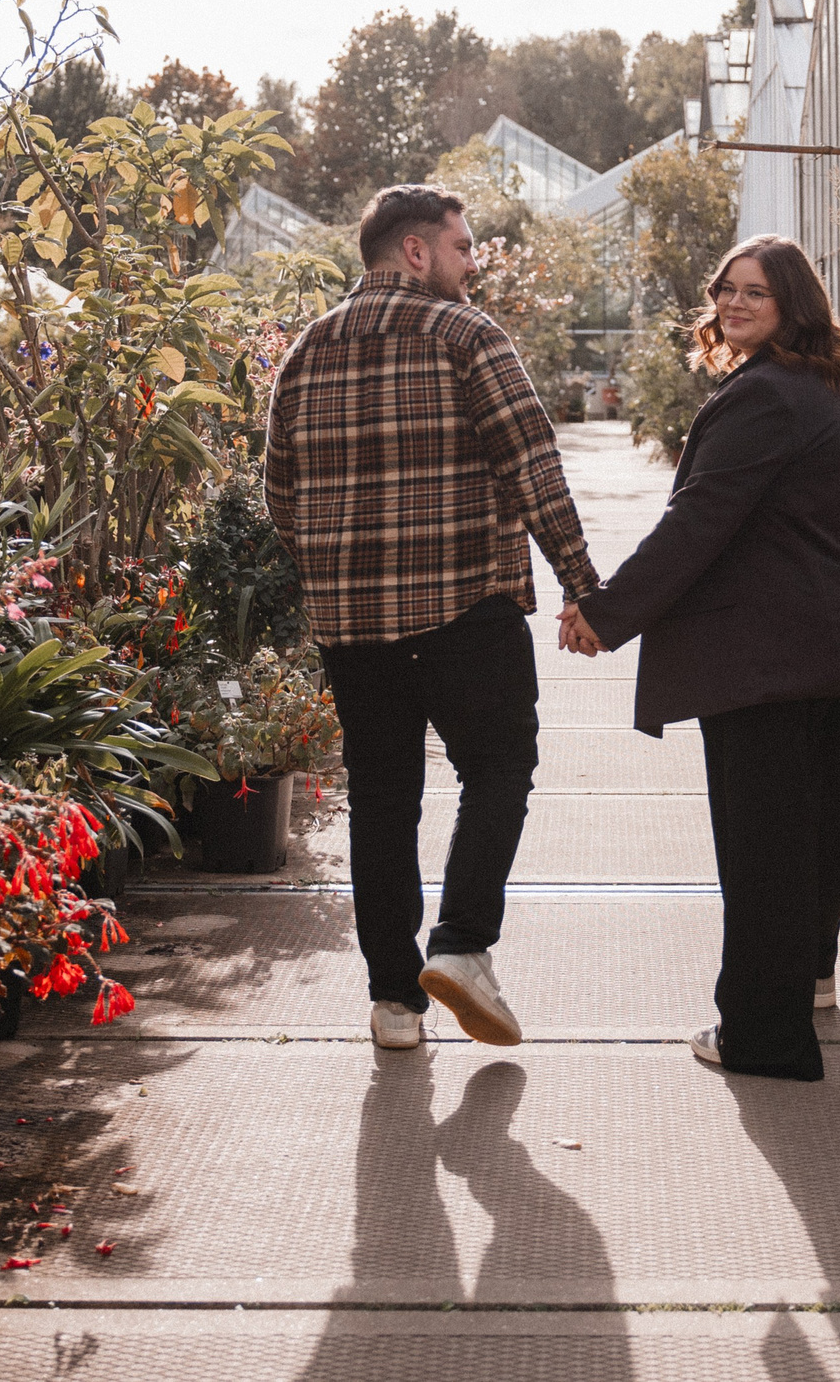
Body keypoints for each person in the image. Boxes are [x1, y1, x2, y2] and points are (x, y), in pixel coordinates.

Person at [265, 184, 601, 1051]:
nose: (471, 263)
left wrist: (335, 577)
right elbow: (534, 467)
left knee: (381, 798)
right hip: (464, 608)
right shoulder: (467, 335)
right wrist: (582, 585)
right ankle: (460, 945)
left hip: (354, 628)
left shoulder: (305, 351)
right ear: (415, 251)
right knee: (499, 767)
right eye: (462, 247)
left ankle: (393, 1002)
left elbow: (281, 496)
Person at [560, 235, 840, 1082]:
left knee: (764, 849)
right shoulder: (827, 389)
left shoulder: (765, 395)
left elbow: (697, 522)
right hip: (838, 650)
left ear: (792, 305)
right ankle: (809, 976)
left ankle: (762, 1035)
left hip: (768, 662)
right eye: (726, 289)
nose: (733, 303)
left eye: (755, 292)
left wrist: (605, 613)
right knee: (821, 832)